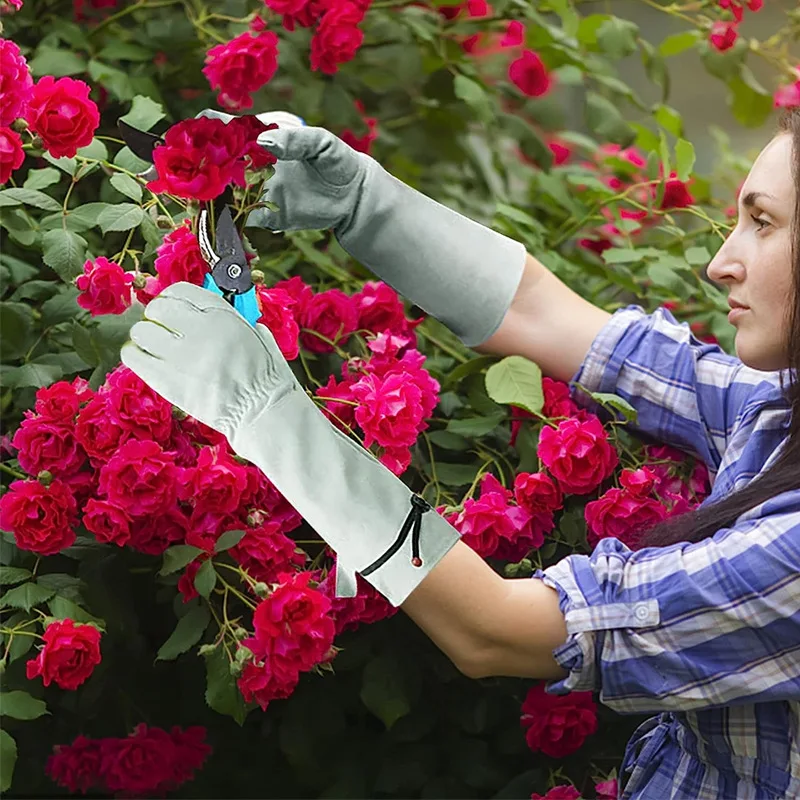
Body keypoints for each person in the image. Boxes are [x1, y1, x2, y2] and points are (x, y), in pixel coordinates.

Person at [121, 106, 800, 799]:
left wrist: (271, 419)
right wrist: (362, 202)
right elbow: (545, 316)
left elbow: (495, 630)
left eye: (764, 222)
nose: (722, 263)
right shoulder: (778, 409)